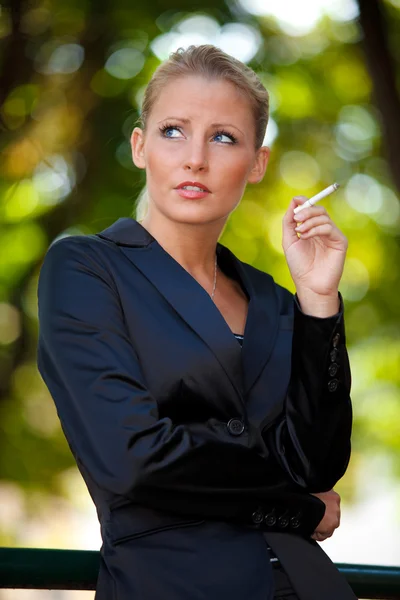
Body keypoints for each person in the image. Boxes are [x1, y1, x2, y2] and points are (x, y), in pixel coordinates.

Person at [37, 45, 356, 600]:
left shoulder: (276, 300)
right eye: (173, 131)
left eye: (224, 137)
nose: (195, 159)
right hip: (170, 583)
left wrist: (319, 301)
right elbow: (132, 458)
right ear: (140, 147)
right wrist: (293, 508)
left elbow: (316, 464)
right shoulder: (86, 269)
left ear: (257, 163)